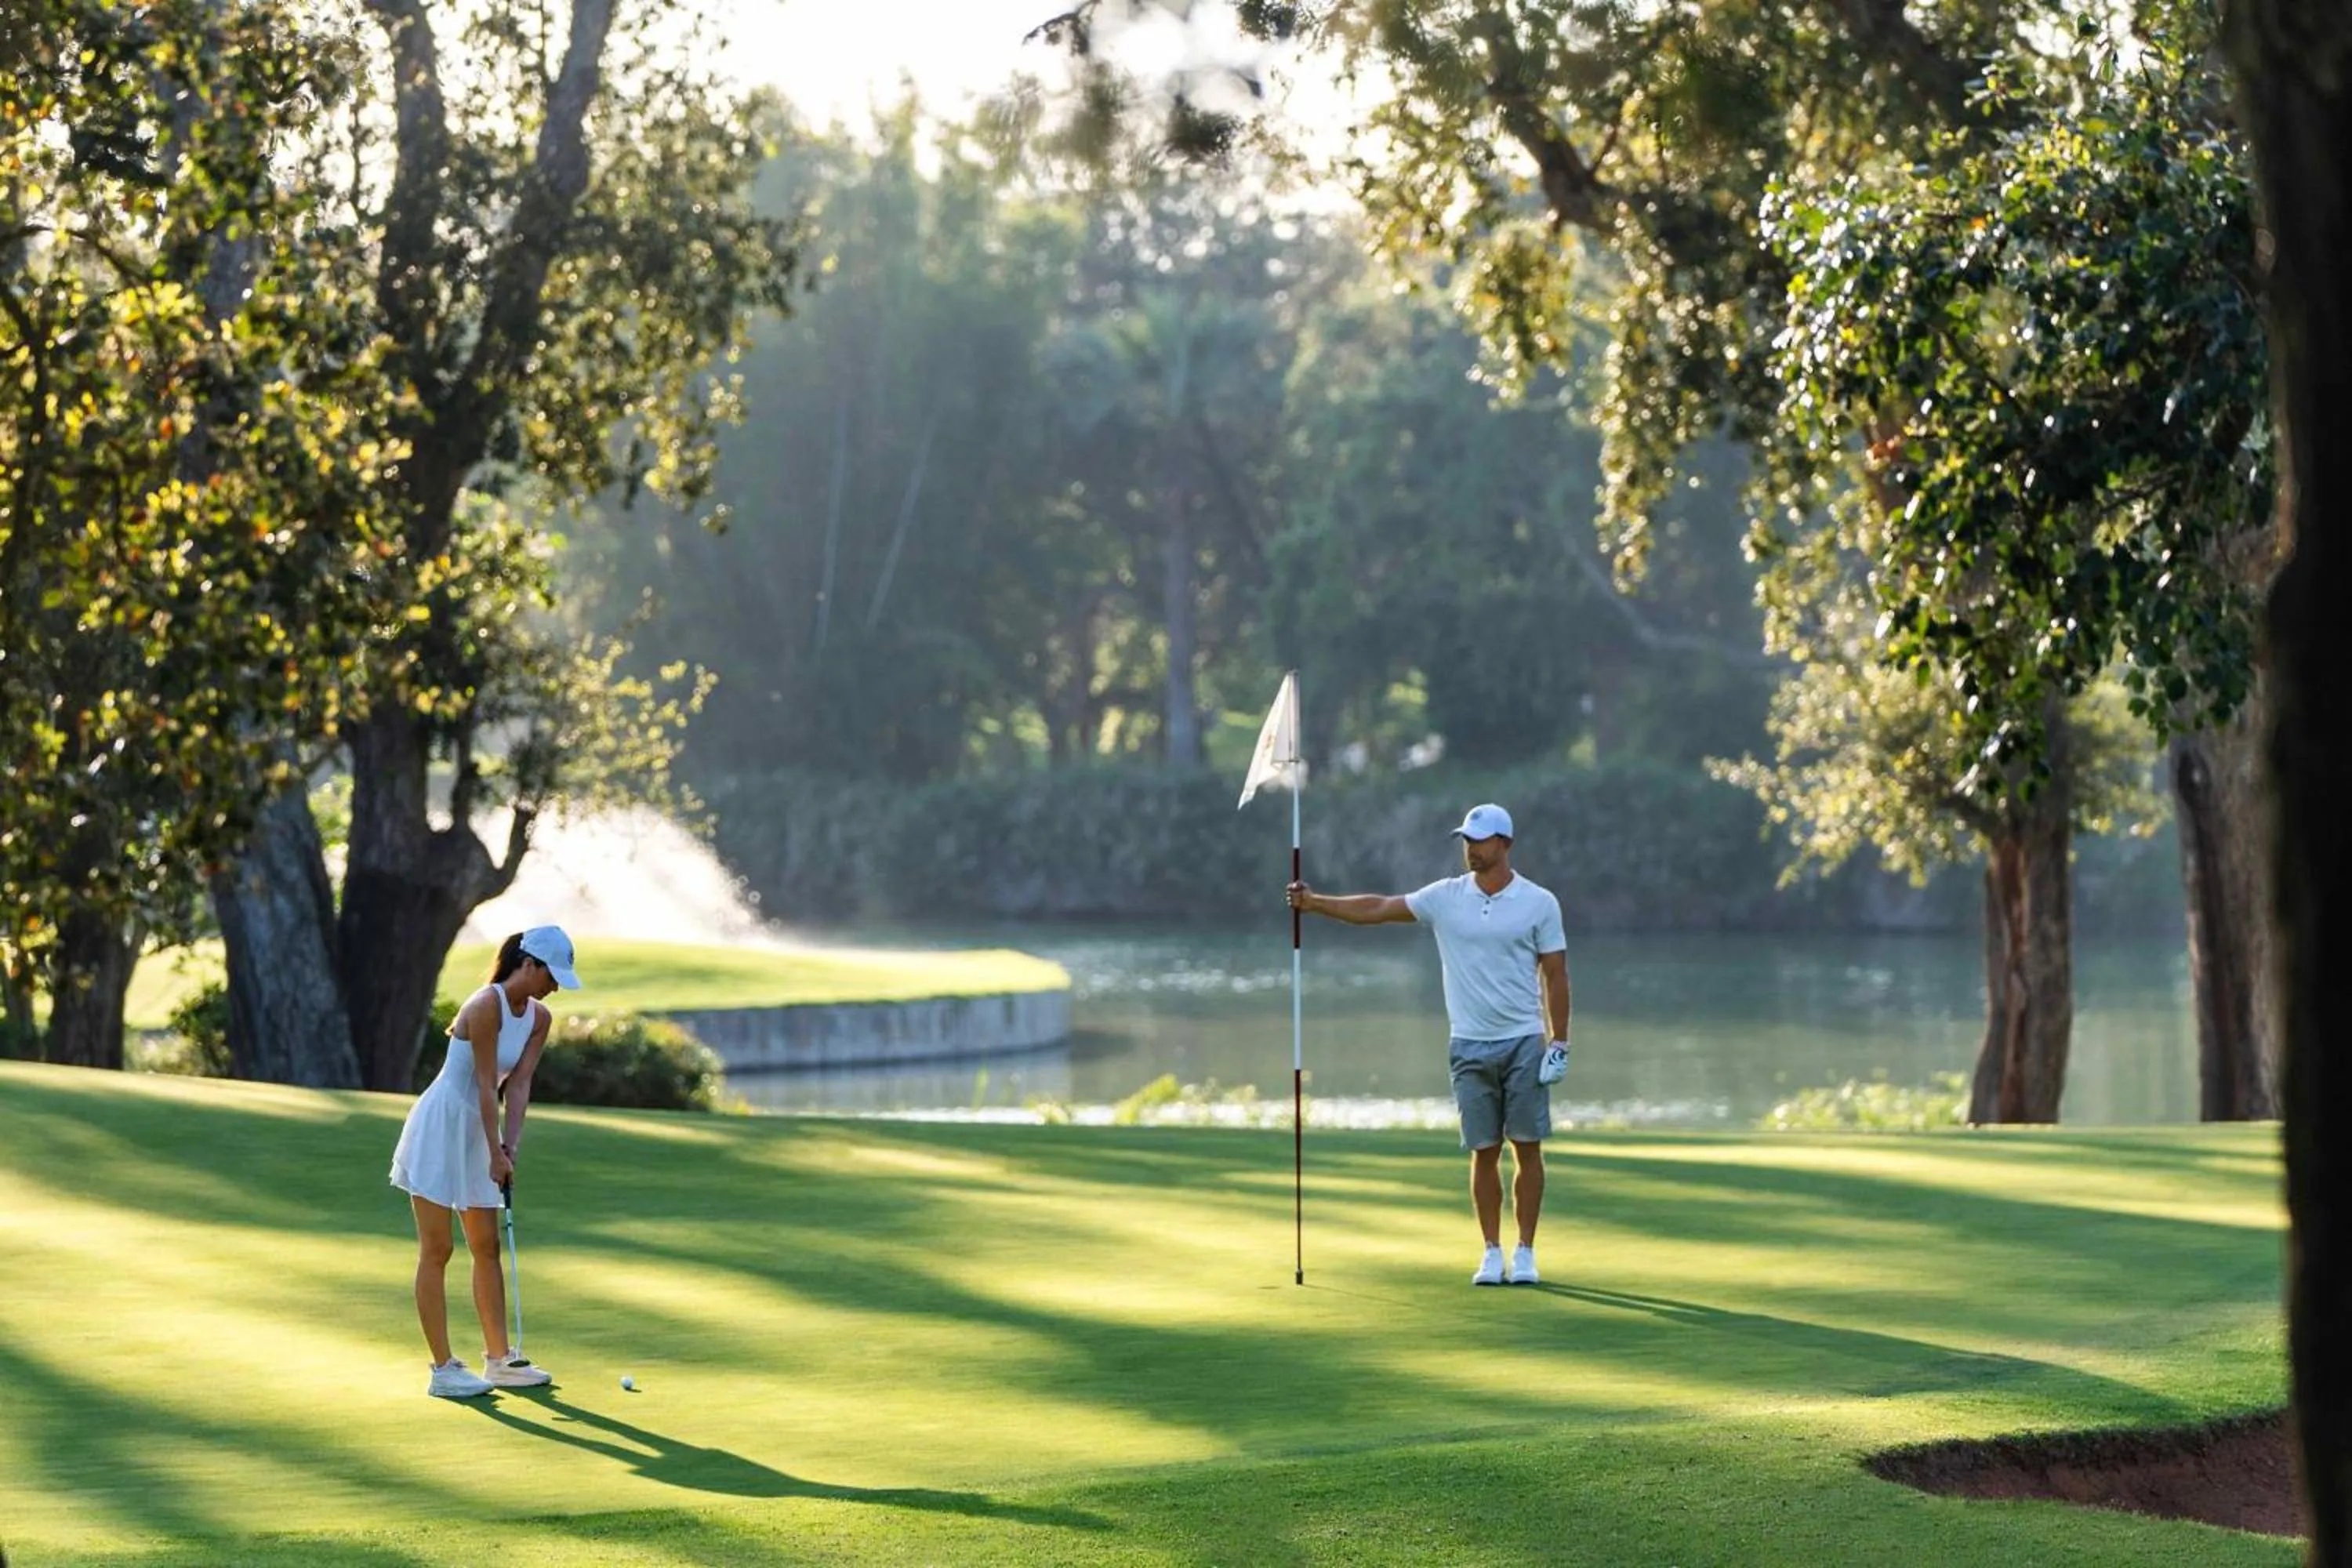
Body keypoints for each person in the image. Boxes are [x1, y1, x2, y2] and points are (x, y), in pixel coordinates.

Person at [1288, 804, 1570, 1286]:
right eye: (1466, 840)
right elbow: (1378, 908)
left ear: (1505, 843)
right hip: (1468, 1044)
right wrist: (1316, 903)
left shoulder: (1539, 902)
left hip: (1524, 1041)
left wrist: (1558, 1042)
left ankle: (1525, 1252)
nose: (1471, 849)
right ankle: (1490, 1251)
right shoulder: (1445, 897)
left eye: (1480, 841)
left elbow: (1555, 974)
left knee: (1527, 1147)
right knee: (1483, 1151)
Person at [390, 925, 581, 1397]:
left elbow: (516, 1086)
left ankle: (500, 1360)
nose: (554, 986)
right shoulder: (484, 1006)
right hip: (442, 1125)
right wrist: (494, 1151)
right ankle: (442, 1370)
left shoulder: (539, 1018)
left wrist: (509, 1147)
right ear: (529, 964)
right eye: (551, 975)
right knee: (438, 1249)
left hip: (481, 1129)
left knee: (487, 1247)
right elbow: (481, 1084)